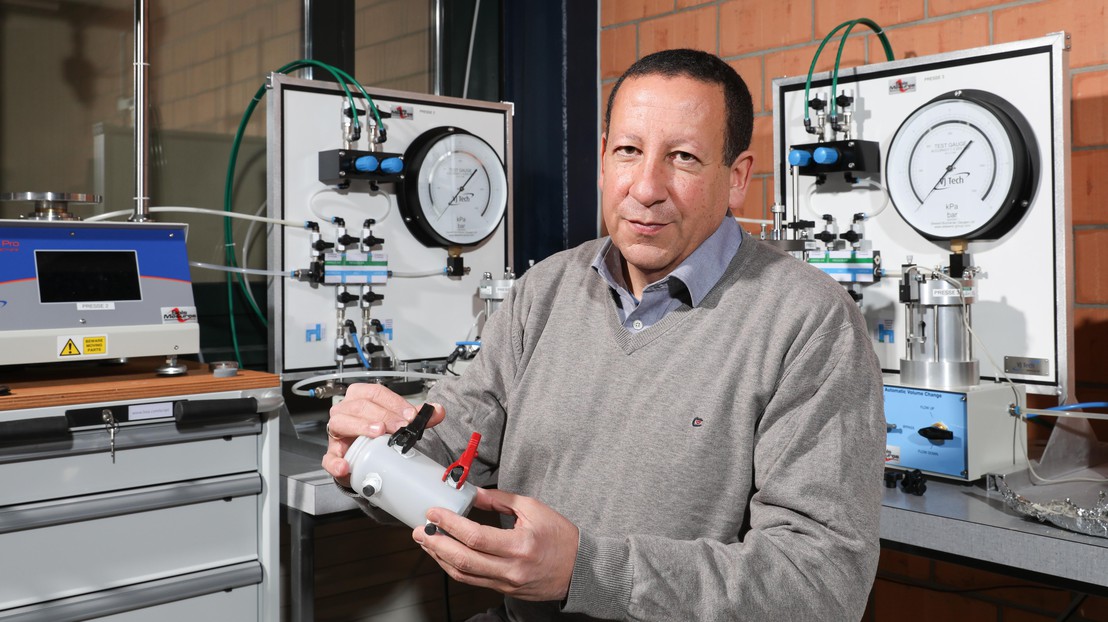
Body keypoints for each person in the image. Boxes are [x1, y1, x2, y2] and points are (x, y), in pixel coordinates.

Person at [324, 48, 885, 621]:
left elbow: (820, 583)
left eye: (684, 158)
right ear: (601, 158)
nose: (646, 187)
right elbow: (449, 452)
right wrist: (372, 454)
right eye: (628, 151)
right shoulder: (545, 290)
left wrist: (586, 571)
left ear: (736, 177)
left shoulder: (809, 321)